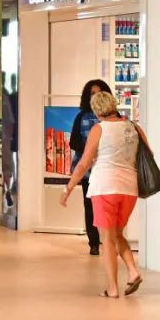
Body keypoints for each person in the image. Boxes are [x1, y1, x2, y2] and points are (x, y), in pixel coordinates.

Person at [61, 91, 150, 299]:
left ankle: (112, 288)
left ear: (96, 110)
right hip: (129, 189)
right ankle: (133, 271)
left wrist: (68, 188)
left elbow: (84, 163)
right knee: (118, 234)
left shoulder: (99, 129)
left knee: (107, 239)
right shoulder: (134, 127)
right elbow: (148, 155)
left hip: (105, 188)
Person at [69, 79, 113, 256]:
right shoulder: (81, 117)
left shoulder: (113, 118)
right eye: (92, 94)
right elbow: (73, 141)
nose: (95, 97)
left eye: (99, 93)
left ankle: (110, 239)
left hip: (108, 170)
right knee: (89, 206)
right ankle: (93, 242)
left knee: (108, 207)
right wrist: (89, 150)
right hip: (88, 172)